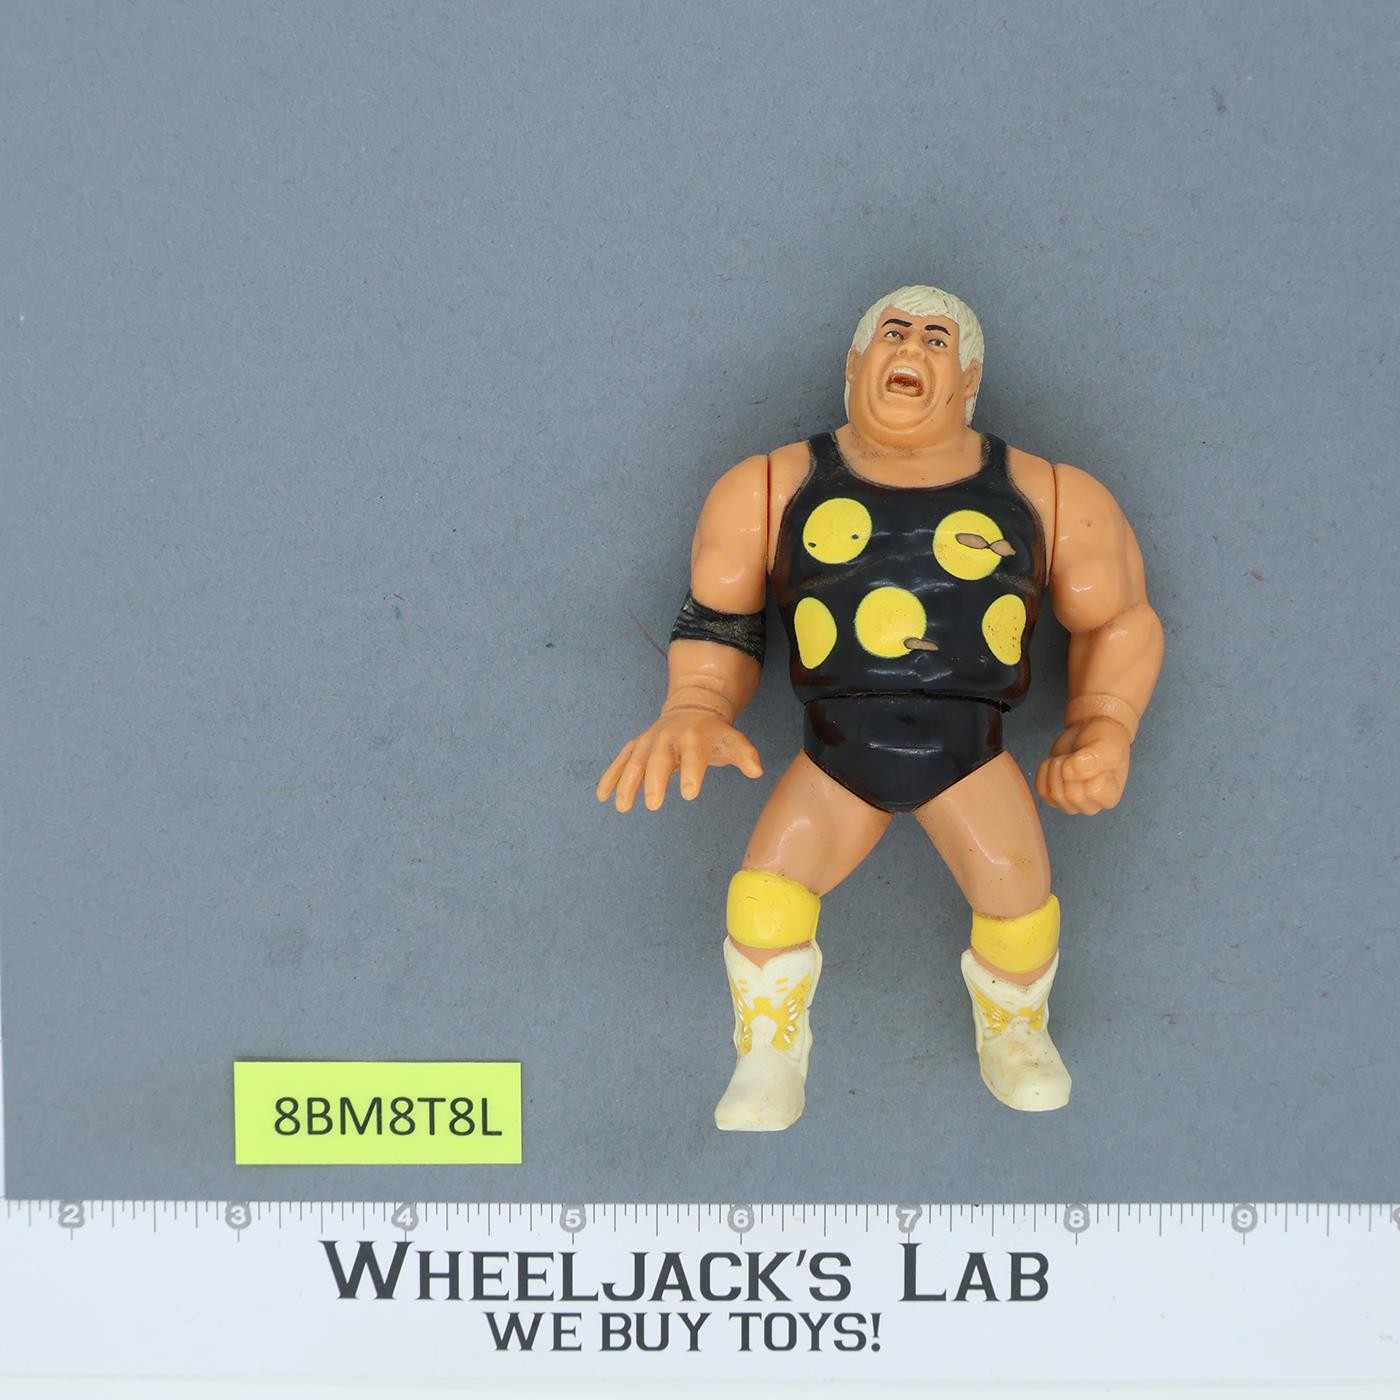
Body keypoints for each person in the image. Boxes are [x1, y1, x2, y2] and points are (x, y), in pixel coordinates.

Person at [597, 284, 1164, 1130]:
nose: (912, 349)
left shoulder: (1051, 495)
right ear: (855, 362)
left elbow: (1119, 619)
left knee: (1015, 890)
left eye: (936, 340)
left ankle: (1016, 1028)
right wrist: (695, 703)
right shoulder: (766, 488)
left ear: (969, 379)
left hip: (969, 748)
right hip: (838, 746)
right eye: (894, 333)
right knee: (764, 894)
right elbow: (720, 618)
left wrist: (1106, 724)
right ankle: (769, 1046)